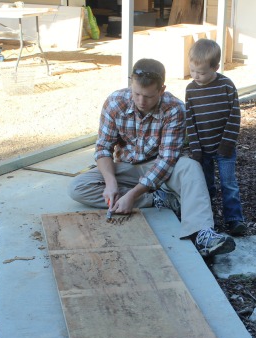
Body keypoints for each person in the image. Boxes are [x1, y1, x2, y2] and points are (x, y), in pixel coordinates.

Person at [69, 58, 235, 259]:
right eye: (137, 93)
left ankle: (202, 234)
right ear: (131, 83)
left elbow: (166, 159)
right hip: (126, 166)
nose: (141, 101)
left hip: (162, 168)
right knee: (77, 187)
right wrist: (111, 183)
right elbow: (103, 147)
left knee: (191, 167)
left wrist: (132, 195)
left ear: (161, 89)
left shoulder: (175, 108)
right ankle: (159, 199)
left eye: (148, 96)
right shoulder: (114, 102)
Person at [185, 38, 247, 236]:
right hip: (202, 149)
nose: (196, 76)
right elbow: (190, 120)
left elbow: (234, 116)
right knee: (205, 185)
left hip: (224, 148)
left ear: (216, 67)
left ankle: (234, 219)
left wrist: (227, 144)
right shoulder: (191, 90)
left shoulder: (227, 86)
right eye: (192, 71)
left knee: (228, 183)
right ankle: (207, 219)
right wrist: (195, 148)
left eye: (201, 72)